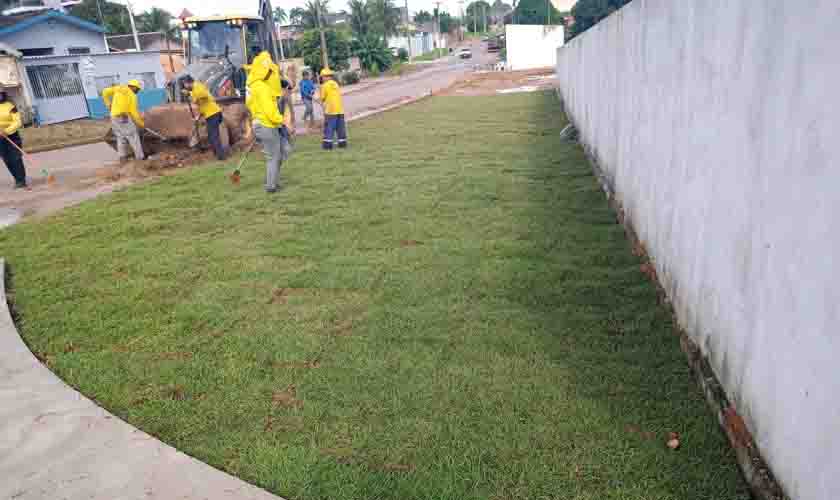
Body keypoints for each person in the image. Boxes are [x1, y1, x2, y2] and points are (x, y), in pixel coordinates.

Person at [246, 51, 289, 193]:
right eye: (270, 72)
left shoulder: (253, 86)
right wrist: (282, 121)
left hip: (261, 124)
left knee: (278, 154)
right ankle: (271, 186)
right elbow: (270, 110)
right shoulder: (262, 87)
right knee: (273, 156)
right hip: (266, 124)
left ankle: (273, 182)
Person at [181, 75, 227, 160]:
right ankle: (217, 154)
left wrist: (190, 94)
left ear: (188, 82)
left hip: (214, 113)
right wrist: (198, 117)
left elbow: (204, 95)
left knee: (214, 135)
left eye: (185, 85)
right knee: (211, 135)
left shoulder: (197, 86)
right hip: (211, 114)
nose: (185, 87)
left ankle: (221, 156)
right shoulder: (195, 89)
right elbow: (202, 105)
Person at [102, 79, 145, 161]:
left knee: (121, 136)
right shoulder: (132, 95)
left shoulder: (119, 88)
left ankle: (122, 157)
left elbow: (104, 92)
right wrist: (141, 124)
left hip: (113, 116)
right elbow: (134, 113)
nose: (138, 91)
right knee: (133, 135)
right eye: (138, 89)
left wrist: (108, 104)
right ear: (133, 87)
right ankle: (140, 157)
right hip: (123, 117)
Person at [0, 91, 26, 189]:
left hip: (12, 136)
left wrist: (6, 131)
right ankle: (17, 180)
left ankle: (22, 180)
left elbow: (18, 122)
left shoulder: (10, 106)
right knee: (7, 159)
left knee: (16, 158)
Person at [318, 68, 346, 150]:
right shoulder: (335, 84)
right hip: (340, 110)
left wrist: (320, 92)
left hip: (330, 111)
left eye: (322, 77)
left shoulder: (325, 85)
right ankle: (342, 143)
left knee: (329, 127)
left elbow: (322, 98)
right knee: (340, 127)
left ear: (326, 77)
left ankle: (327, 144)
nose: (322, 79)